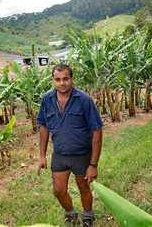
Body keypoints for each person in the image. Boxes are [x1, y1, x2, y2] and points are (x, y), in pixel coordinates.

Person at [37, 64, 103, 227]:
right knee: (58, 190)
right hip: (60, 154)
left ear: (71, 79)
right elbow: (44, 126)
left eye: (65, 79)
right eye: (58, 79)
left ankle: (88, 215)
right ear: (53, 80)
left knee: (83, 187)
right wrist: (41, 155)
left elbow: (97, 131)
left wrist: (93, 164)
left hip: (81, 154)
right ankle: (71, 213)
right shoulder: (47, 99)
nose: (62, 83)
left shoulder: (84, 100)